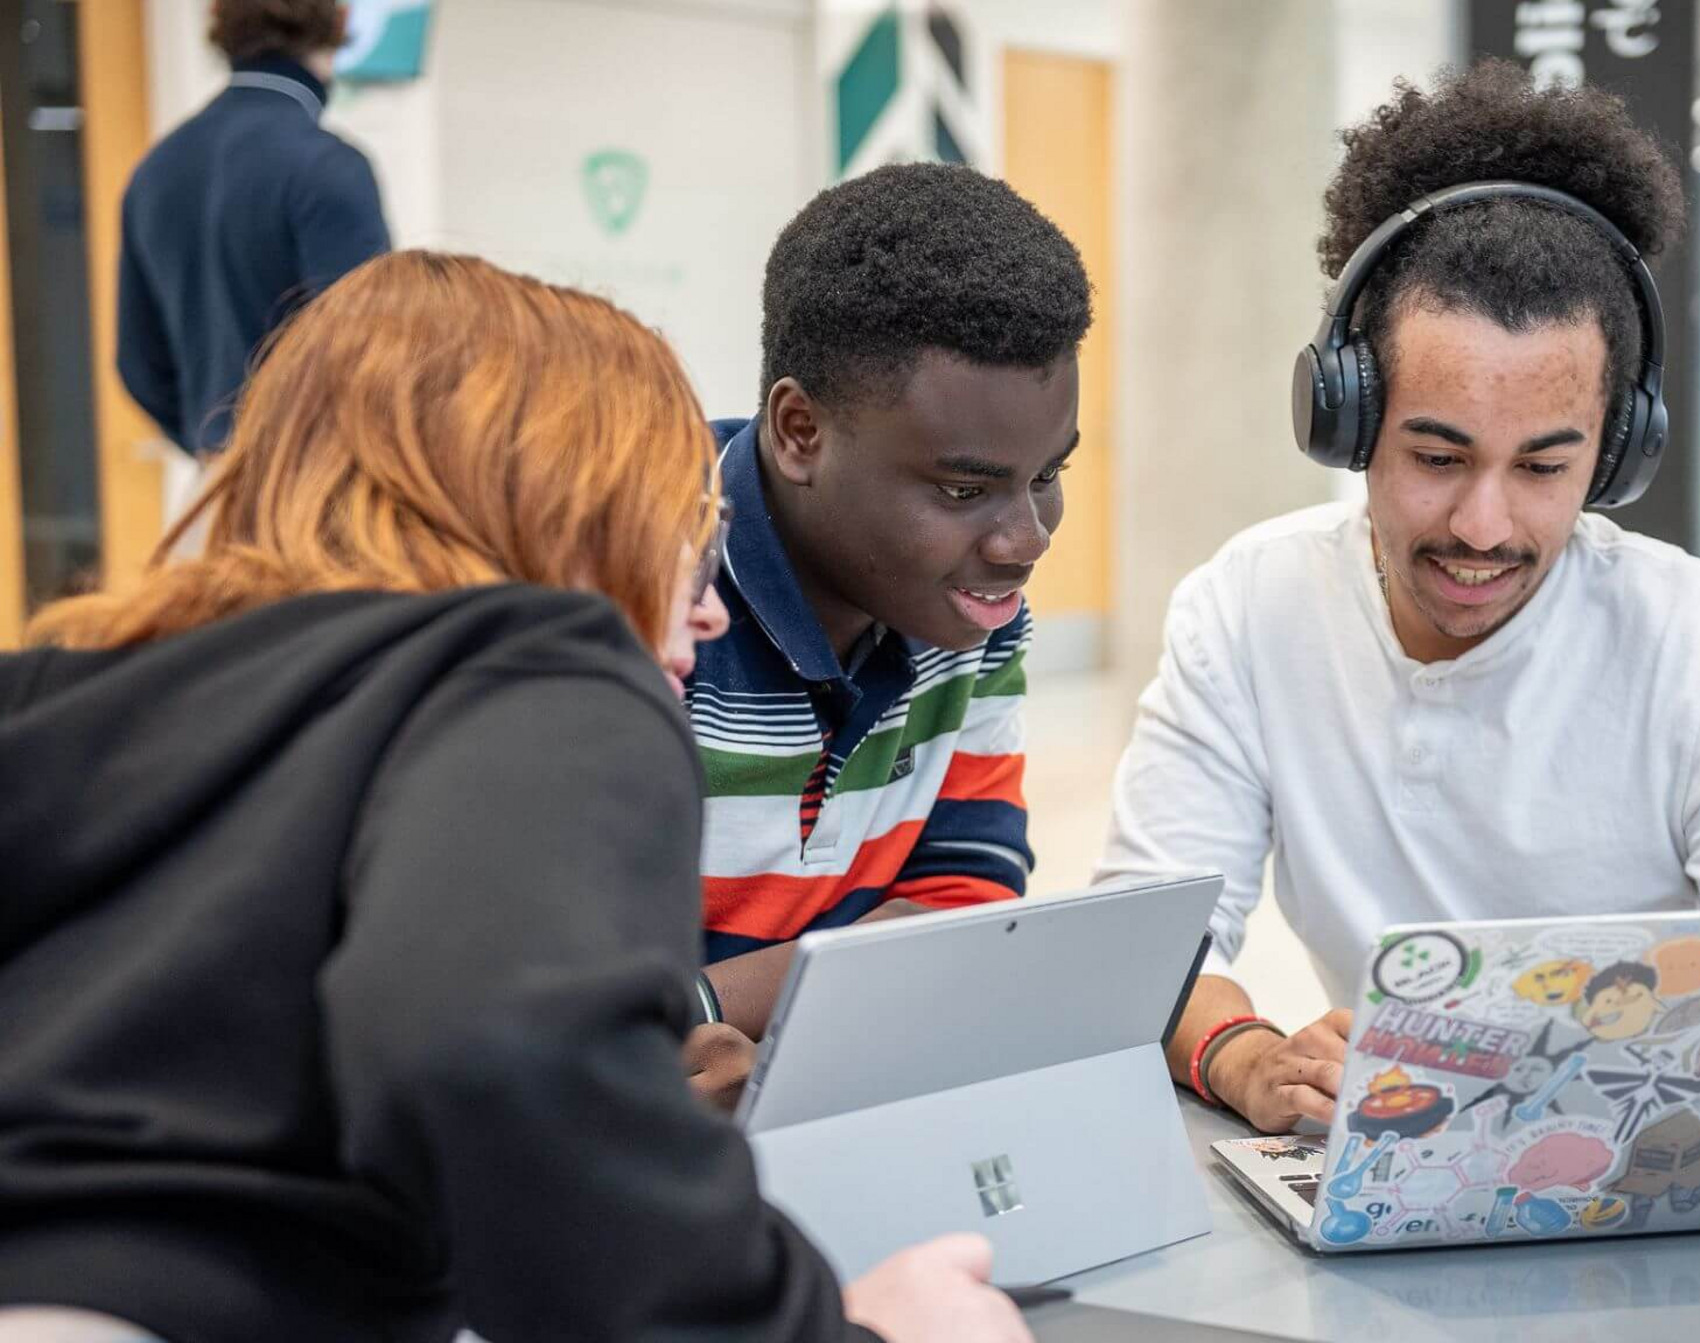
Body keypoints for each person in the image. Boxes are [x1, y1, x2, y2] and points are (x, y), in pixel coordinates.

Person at [0, 253, 1026, 1343]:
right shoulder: (544, 664)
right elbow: (493, 1051)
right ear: (567, 510)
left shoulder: (65, 700)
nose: (707, 610)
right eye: (684, 536)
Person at [1094, 60, 1700, 1137]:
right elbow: (1142, 956)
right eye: (1435, 455)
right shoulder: (1249, 610)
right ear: (1345, 422)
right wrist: (1246, 1059)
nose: (1482, 526)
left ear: (1616, 454)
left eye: (1540, 469)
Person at [688, 163, 1090, 1036]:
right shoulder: (644, 586)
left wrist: (716, 1013)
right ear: (801, 432)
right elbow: (563, 984)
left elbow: (965, 893)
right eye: (961, 491)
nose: (1025, 542)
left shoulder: (969, 609)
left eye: (1049, 475)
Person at [118, 0, 390, 462]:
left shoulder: (155, 170)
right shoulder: (328, 166)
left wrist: (219, 450)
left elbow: (138, 365)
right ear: (341, 19)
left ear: (219, 23)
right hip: (312, 492)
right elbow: (369, 359)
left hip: (217, 490)